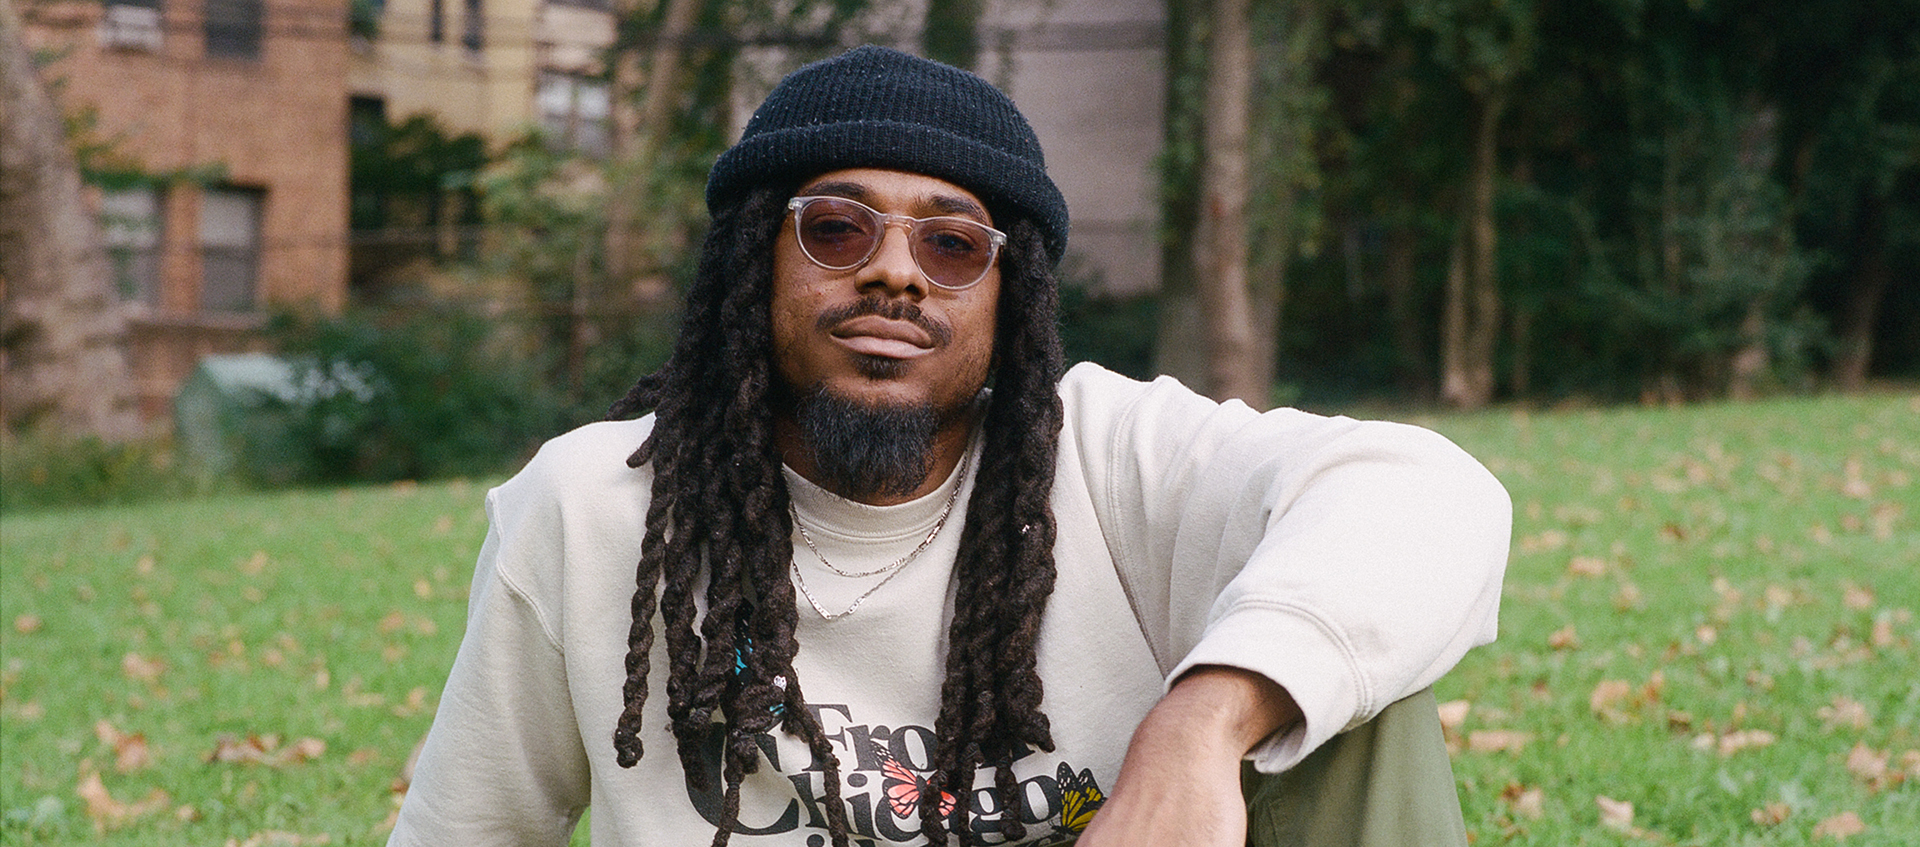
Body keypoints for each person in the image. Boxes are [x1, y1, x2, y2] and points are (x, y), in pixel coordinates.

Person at [389, 45, 1510, 847]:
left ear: (1007, 296)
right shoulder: (592, 510)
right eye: (835, 226)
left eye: (954, 241)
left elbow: (1428, 494)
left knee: (1332, 691)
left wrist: (1204, 720)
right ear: (753, 264)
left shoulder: (1108, 455)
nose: (894, 269)